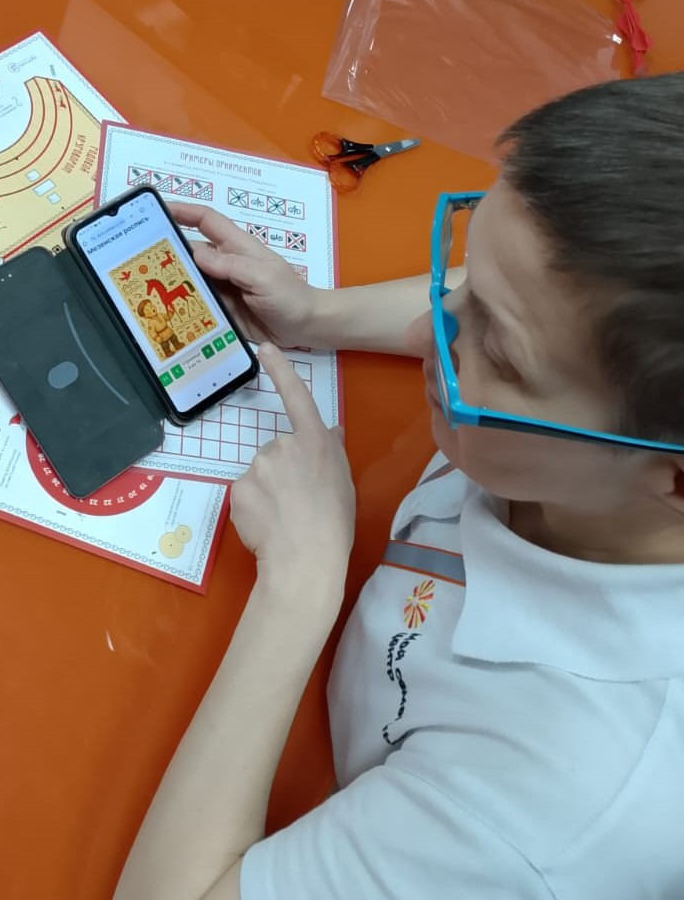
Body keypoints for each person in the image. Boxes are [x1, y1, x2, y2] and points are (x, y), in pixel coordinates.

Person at [112, 75, 684, 900]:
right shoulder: (594, 413)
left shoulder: (550, 812)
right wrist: (319, 313)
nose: (427, 330)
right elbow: (541, 298)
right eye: (464, 284)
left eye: (499, 353)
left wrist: (301, 588)